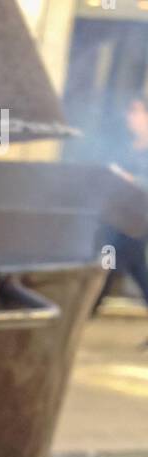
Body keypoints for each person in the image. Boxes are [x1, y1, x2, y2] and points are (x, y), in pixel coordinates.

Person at [95, 96, 148, 315]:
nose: (130, 117)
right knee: (109, 257)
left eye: (135, 111)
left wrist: (133, 180)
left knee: (129, 264)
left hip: (140, 216)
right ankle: (92, 303)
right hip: (119, 214)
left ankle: (92, 304)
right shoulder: (128, 147)